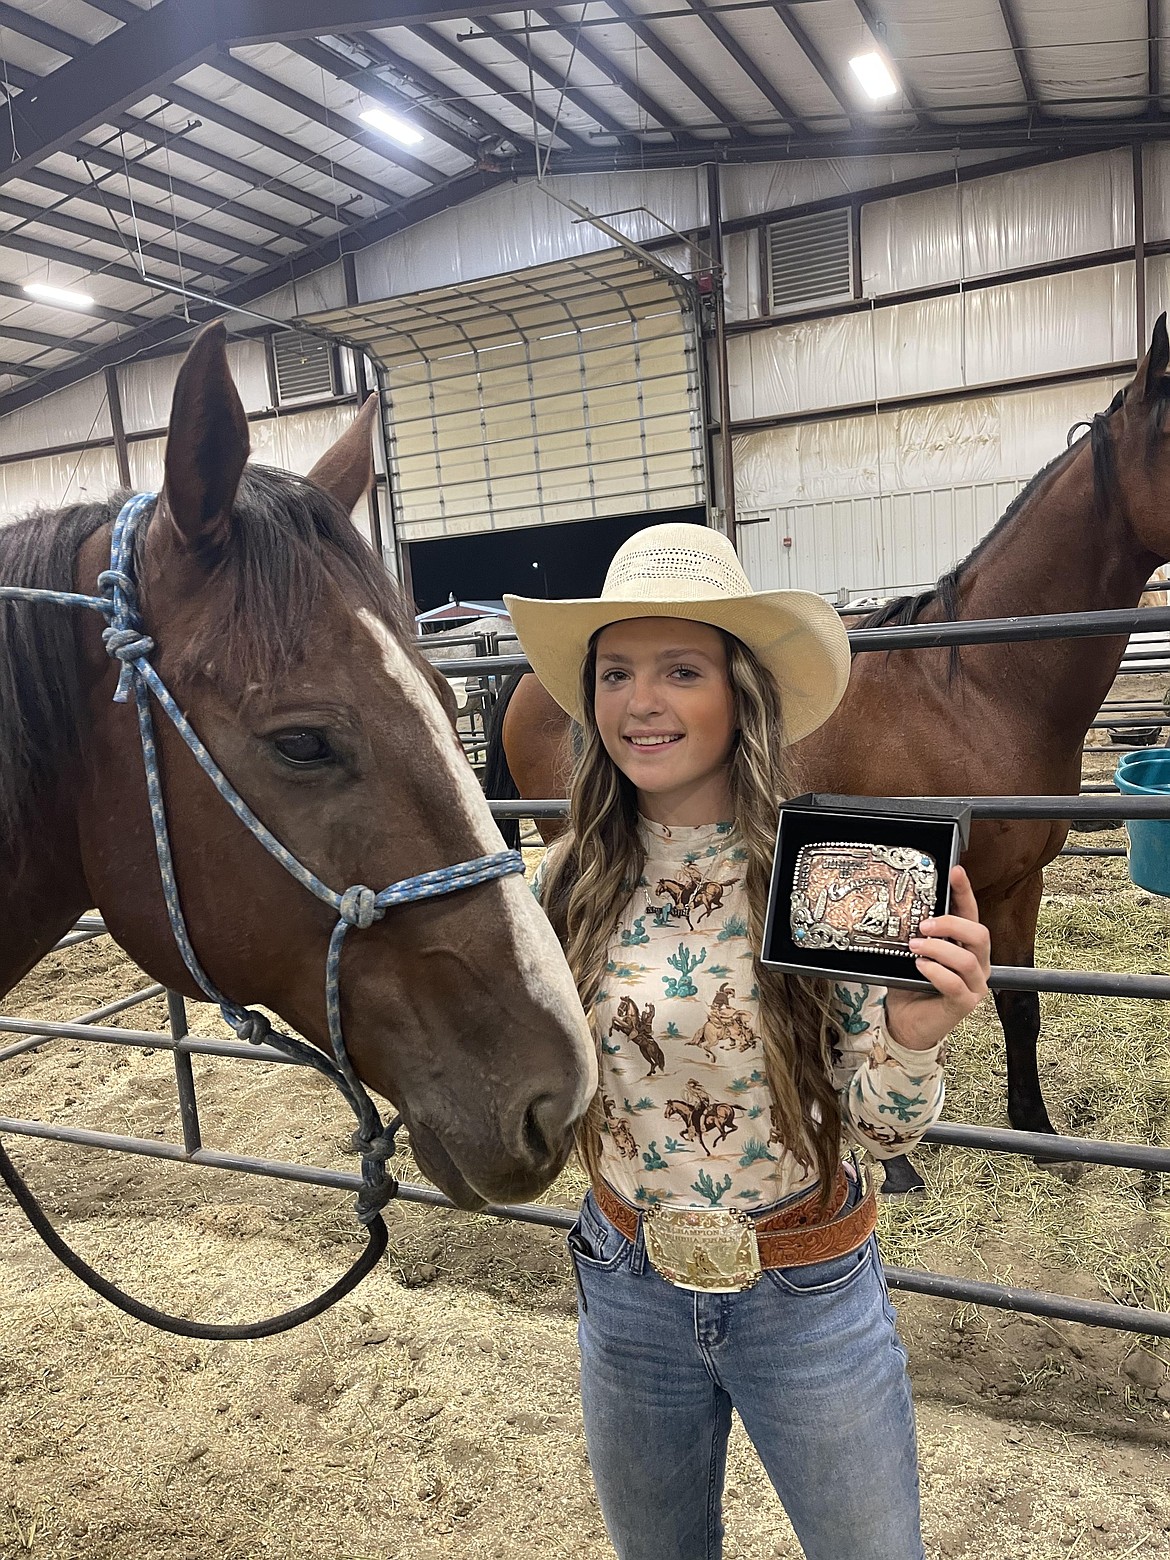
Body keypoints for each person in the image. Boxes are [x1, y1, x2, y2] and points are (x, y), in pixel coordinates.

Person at [504, 523, 991, 1560]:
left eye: (682, 670)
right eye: (618, 673)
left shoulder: (831, 877)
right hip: (627, 1285)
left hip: (803, 1294)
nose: (643, 702)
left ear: (741, 693)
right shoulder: (562, 886)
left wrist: (913, 1032)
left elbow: (881, 1132)